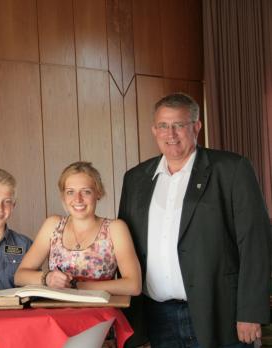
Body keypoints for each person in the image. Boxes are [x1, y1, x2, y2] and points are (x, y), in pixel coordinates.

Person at [118, 93, 271, 348]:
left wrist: (250, 312)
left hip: (221, 314)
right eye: (164, 126)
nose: (171, 134)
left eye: (179, 125)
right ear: (154, 130)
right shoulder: (135, 179)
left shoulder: (232, 170)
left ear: (196, 127)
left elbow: (256, 244)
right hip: (157, 318)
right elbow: (124, 248)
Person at [14, 161, 141, 296]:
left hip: (100, 312)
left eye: (86, 191)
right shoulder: (53, 225)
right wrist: (48, 278)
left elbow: (133, 285)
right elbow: (19, 276)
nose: (78, 199)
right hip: (56, 313)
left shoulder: (115, 229)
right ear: (63, 196)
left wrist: (76, 285)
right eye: (70, 192)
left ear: (98, 193)